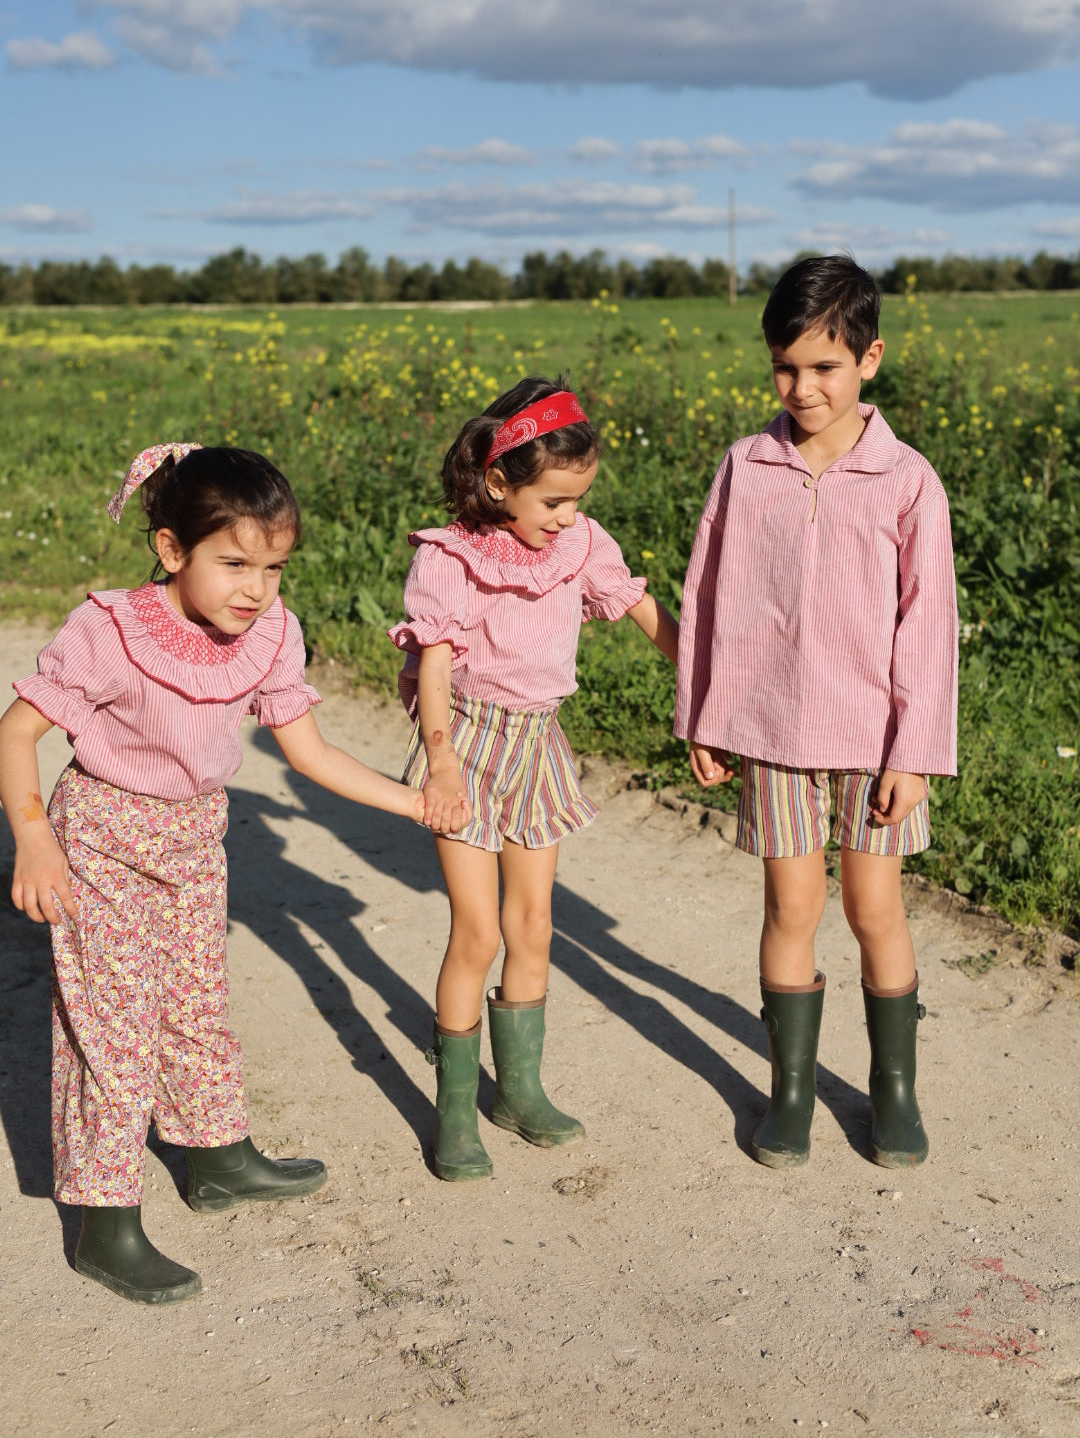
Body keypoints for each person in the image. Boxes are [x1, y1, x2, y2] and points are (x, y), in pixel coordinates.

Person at [0, 443, 424, 1304]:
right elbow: (15, 735)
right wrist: (35, 840)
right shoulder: (109, 631)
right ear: (169, 550)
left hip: (197, 841)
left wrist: (414, 805)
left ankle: (217, 1158)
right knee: (112, 1030)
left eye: (273, 566)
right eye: (232, 563)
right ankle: (105, 1220)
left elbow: (306, 752)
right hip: (103, 843)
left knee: (195, 1003)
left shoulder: (268, 633)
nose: (255, 588)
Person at [675, 256, 957, 1170]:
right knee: (791, 905)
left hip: (875, 742)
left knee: (876, 909)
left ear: (869, 359)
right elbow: (706, 595)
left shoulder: (907, 480)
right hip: (772, 733)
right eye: (785, 368)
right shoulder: (745, 466)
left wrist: (914, 751)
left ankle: (894, 1092)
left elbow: (929, 625)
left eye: (824, 367)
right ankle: (790, 1090)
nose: (802, 388)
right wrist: (703, 715)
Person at [390, 377, 678, 1182]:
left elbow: (637, 608)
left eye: (578, 499)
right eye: (552, 500)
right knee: (476, 933)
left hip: (538, 745)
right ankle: (453, 1114)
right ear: (497, 482)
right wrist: (441, 758)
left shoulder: (581, 545)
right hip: (469, 746)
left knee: (535, 925)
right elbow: (437, 666)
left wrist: (703, 685)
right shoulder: (450, 559)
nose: (566, 517)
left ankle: (518, 1090)